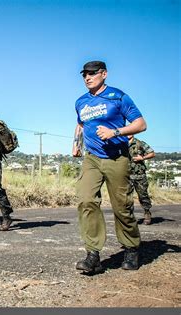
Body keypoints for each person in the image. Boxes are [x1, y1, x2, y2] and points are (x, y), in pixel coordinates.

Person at [73, 61, 147, 273]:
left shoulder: (118, 97)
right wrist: (76, 143)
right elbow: (80, 123)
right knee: (86, 199)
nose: (87, 78)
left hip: (117, 158)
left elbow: (141, 124)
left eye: (92, 74)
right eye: (84, 74)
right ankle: (93, 255)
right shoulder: (81, 102)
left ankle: (131, 248)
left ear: (104, 74)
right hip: (92, 158)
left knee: (122, 207)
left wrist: (114, 132)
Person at [128, 135, 155, 225]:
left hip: (139, 175)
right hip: (126, 175)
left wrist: (142, 158)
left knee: (143, 195)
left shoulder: (140, 143)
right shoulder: (121, 143)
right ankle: (129, 217)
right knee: (126, 198)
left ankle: (147, 212)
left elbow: (152, 153)